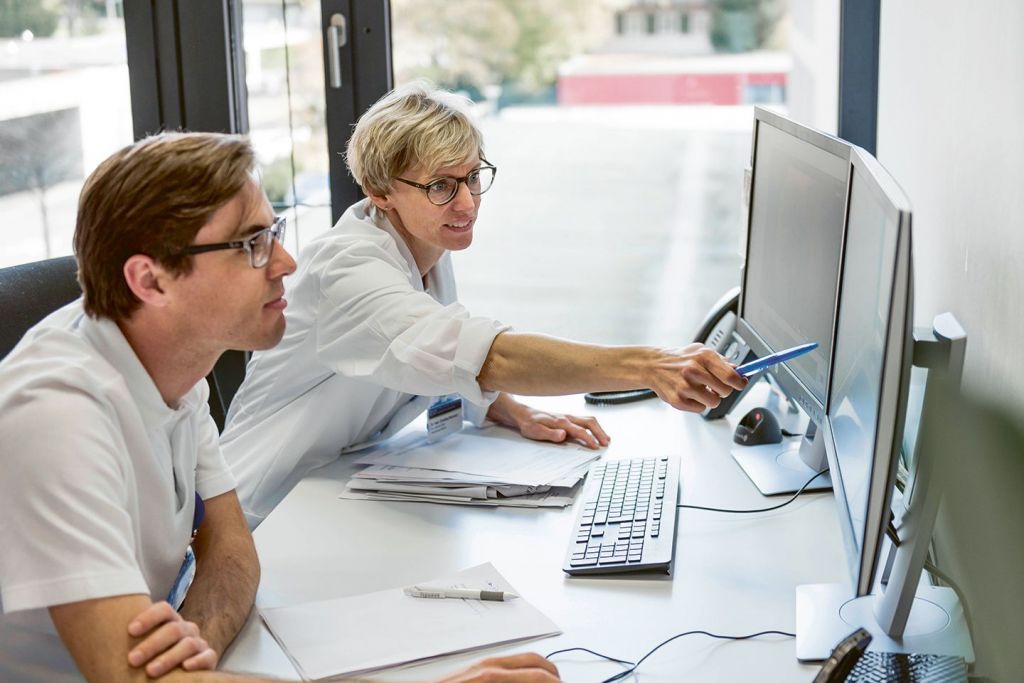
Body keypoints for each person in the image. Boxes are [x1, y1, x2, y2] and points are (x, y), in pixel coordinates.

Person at [0, 132, 560, 683]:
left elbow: (230, 547)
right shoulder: (56, 416)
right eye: (251, 245)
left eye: (275, 231)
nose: (287, 262)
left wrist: (194, 647)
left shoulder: (171, 356)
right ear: (150, 280)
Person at [222, 81, 747, 528]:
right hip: (265, 516)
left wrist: (506, 409)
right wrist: (648, 365)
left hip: (330, 495)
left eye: (473, 176)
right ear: (380, 190)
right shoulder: (349, 269)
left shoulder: (423, 245)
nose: (469, 203)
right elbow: (478, 354)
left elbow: (426, 356)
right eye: (442, 186)